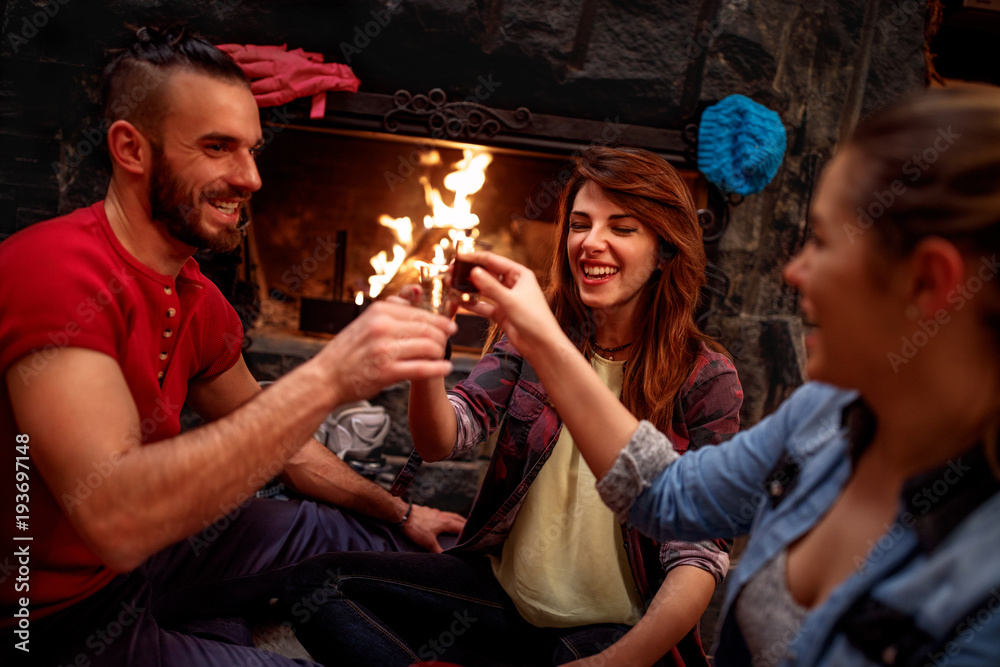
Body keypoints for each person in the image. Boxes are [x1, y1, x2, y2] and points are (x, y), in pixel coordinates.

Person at [456, 86, 1000, 665]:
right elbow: (664, 494)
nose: (794, 272)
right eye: (580, 224)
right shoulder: (821, 415)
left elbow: (694, 554)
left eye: (821, 241)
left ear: (927, 282)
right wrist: (540, 338)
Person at [0, 26, 465, 666]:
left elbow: (285, 445)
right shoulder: (54, 273)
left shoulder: (195, 297)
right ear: (131, 149)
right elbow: (116, 520)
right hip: (43, 618)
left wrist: (401, 510)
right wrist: (327, 377)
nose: (249, 177)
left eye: (250, 149)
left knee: (358, 536)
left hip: (144, 568)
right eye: (217, 147)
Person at [281, 146, 745, 666]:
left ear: (666, 247)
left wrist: (612, 664)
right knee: (316, 587)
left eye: (622, 228)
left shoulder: (708, 379)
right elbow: (441, 440)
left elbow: (699, 558)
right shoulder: (532, 330)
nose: (592, 243)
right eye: (579, 224)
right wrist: (430, 355)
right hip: (502, 601)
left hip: (609, 632)